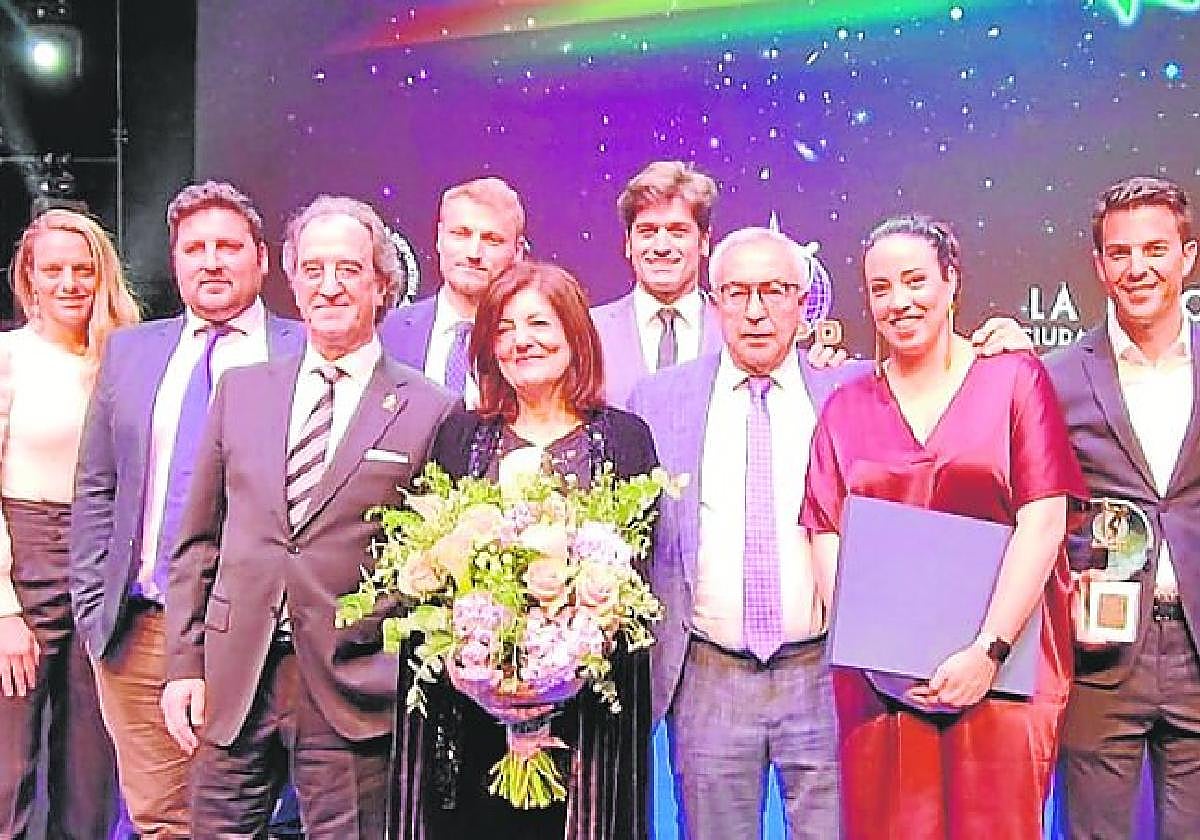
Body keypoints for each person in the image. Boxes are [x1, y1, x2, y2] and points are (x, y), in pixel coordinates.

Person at [161, 195, 456, 839]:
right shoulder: (242, 390)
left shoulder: (430, 409)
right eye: (313, 269)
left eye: (349, 269)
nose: (329, 286)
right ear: (291, 279)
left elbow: (435, 563)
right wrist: (183, 664)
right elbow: (198, 543)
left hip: (351, 683)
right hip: (235, 676)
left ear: (381, 285)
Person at [801, 214, 1088, 839]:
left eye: (915, 281)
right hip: (881, 692)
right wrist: (879, 658)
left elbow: (1043, 521)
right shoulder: (845, 407)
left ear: (951, 280)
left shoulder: (1015, 381)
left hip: (1003, 681)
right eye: (881, 288)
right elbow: (826, 533)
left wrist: (988, 652)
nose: (899, 302)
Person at [391, 261, 658, 840]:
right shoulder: (461, 435)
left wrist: (563, 662)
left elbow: (636, 575)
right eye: (505, 328)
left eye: (539, 323)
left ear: (574, 334)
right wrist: (478, 670)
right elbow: (434, 570)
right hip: (471, 717)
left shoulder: (625, 438)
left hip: (585, 721)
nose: (522, 340)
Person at [70, 181, 304, 838]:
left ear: (262, 258)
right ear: (174, 261)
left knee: (257, 820)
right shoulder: (132, 352)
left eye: (228, 246)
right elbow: (97, 486)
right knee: (162, 822)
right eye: (194, 248)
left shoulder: (304, 351)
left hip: (266, 638)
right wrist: (94, 605)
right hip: (142, 631)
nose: (212, 261)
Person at [628, 227, 860, 839]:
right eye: (737, 292)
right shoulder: (658, 400)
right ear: (715, 303)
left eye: (774, 291)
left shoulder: (849, 391)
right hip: (710, 674)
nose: (756, 311)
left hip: (824, 671)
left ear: (804, 303)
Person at [1048, 176, 1200, 838]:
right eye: (1120, 253)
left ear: (1187, 257)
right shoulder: (1055, 375)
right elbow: (1035, 509)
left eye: (1155, 249)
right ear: (1099, 265)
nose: (1138, 268)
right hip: (1101, 655)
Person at [0, 208, 137, 839]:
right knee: (9, 767)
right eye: (52, 269)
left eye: (83, 269)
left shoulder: (125, 358)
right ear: (28, 277)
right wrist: (5, 611)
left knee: (91, 773)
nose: (69, 283)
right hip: (24, 560)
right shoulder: (10, 357)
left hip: (103, 567)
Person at [380, 176, 527, 404]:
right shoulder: (386, 332)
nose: (474, 253)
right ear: (439, 238)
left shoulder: (530, 343)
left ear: (517, 251)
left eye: (492, 240)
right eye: (461, 234)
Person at [592, 161, 724, 406]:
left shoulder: (732, 327)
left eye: (677, 231)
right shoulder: (589, 331)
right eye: (648, 232)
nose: (661, 247)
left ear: (704, 241)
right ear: (628, 243)